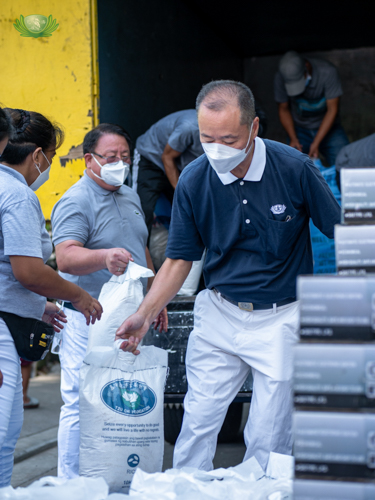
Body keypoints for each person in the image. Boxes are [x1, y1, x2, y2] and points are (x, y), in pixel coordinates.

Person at [115, 80, 341, 472]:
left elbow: (344, 232)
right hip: (220, 313)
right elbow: (179, 259)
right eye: (207, 138)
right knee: (198, 421)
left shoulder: (294, 168)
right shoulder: (193, 179)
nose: (217, 148)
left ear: (254, 128)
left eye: (229, 138)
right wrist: (145, 313)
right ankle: (187, 491)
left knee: (270, 434)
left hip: (282, 317)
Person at [51, 123, 168, 479]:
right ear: (89, 159)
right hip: (87, 316)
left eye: (125, 157)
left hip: (130, 316)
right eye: (111, 157)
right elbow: (66, 257)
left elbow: (141, 249)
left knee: (122, 398)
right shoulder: (76, 200)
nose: (120, 163)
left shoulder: (129, 194)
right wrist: (102, 258)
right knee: (79, 399)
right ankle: (72, 483)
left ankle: (115, 475)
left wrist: (154, 298)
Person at [0, 108, 102, 487]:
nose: (51, 166)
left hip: (9, 316)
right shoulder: (17, 194)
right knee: (3, 431)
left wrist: (34, 304)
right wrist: (77, 296)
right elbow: (27, 269)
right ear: (38, 155)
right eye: (53, 156)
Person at [133, 110, 204, 239]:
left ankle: (187, 255)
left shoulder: (227, 134)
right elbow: (167, 157)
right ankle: (138, 257)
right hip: (152, 157)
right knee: (142, 211)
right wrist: (181, 191)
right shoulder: (190, 127)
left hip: (181, 165)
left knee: (190, 208)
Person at [274, 51, 349, 166]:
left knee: (345, 163)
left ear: (307, 66)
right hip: (299, 129)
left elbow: (332, 110)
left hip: (330, 128)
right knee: (292, 166)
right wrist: (293, 138)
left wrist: (316, 143)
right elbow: (283, 109)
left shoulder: (327, 72)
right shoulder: (281, 77)